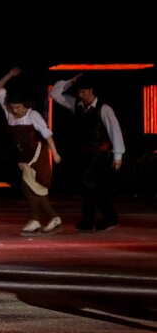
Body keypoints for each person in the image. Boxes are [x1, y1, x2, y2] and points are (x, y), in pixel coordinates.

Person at [50, 73, 125, 232]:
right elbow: (54, 93)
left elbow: (114, 131)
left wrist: (118, 155)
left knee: (88, 182)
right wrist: (71, 81)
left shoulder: (104, 108)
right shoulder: (75, 105)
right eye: (79, 92)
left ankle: (88, 220)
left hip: (102, 153)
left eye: (83, 92)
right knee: (94, 187)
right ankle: (108, 218)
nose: (80, 95)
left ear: (91, 90)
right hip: (85, 153)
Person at [0, 67, 62, 235]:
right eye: (12, 107)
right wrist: (9, 74)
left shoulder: (33, 116)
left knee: (30, 187)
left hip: (38, 155)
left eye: (18, 107)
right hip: (24, 156)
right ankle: (47, 218)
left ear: (25, 105)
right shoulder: (9, 112)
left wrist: (56, 153)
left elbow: (47, 135)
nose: (15, 110)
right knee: (31, 188)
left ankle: (39, 218)